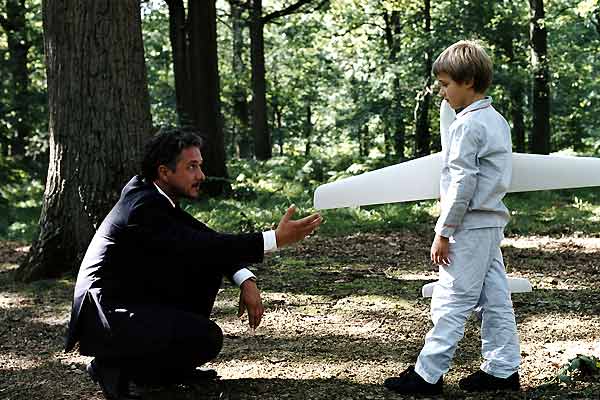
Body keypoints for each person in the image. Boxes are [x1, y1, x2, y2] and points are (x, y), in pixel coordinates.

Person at [65, 127, 322, 400]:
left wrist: (244, 277)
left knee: (205, 283)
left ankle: (158, 370)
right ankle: (112, 364)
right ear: (164, 172)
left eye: (200, 166)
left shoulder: (152, 194)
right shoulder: (143, 206)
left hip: (129, 303)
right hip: (108, 316)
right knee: (205, 338)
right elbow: (205, 245)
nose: (201, 175)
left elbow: (205, 238)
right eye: (192, 167)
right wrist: (275, 239)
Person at [384, 40, 520, 395]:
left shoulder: (467, 125)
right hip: (489, 223)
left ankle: (427, 374)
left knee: (451, 298)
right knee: (495, 297)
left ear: (469, 81)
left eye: (446, 84)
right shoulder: (497, 120)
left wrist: (443, 231)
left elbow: (462, 182)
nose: (442, 92)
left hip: (470, 224)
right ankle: (503, 369)